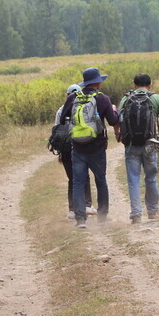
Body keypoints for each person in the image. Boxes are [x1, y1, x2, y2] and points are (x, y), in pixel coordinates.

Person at [59, 67, 119, 228]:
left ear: (85, 83)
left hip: (77, 148)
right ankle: (102, 216)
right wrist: (114, 110)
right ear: (98, 82)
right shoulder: (103, 99)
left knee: (78, 182)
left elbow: (63, 118)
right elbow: (113, 121)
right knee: (101, 180)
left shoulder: (73, 97)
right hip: (97, 148)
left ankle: (80, 219)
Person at [117, 73, 159, 223]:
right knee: (151, 178)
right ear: (150, 85)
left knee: (133, 179)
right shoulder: (155, 98)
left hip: (131, 145)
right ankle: (152, 212)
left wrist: (119, 134)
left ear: (134, 85)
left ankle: (136, 213)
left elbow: (118, 119)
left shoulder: (126, 98)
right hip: (150, 144)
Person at [54, 84, 94, 219]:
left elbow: (57, 132)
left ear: (67, 95)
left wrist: (59, 152)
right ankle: (87, 205)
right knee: (85, 176)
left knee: (72, 179)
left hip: (66, 148)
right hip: (81, 146)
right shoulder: (85, 107)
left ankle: (73, 209)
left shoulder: (61, 111)